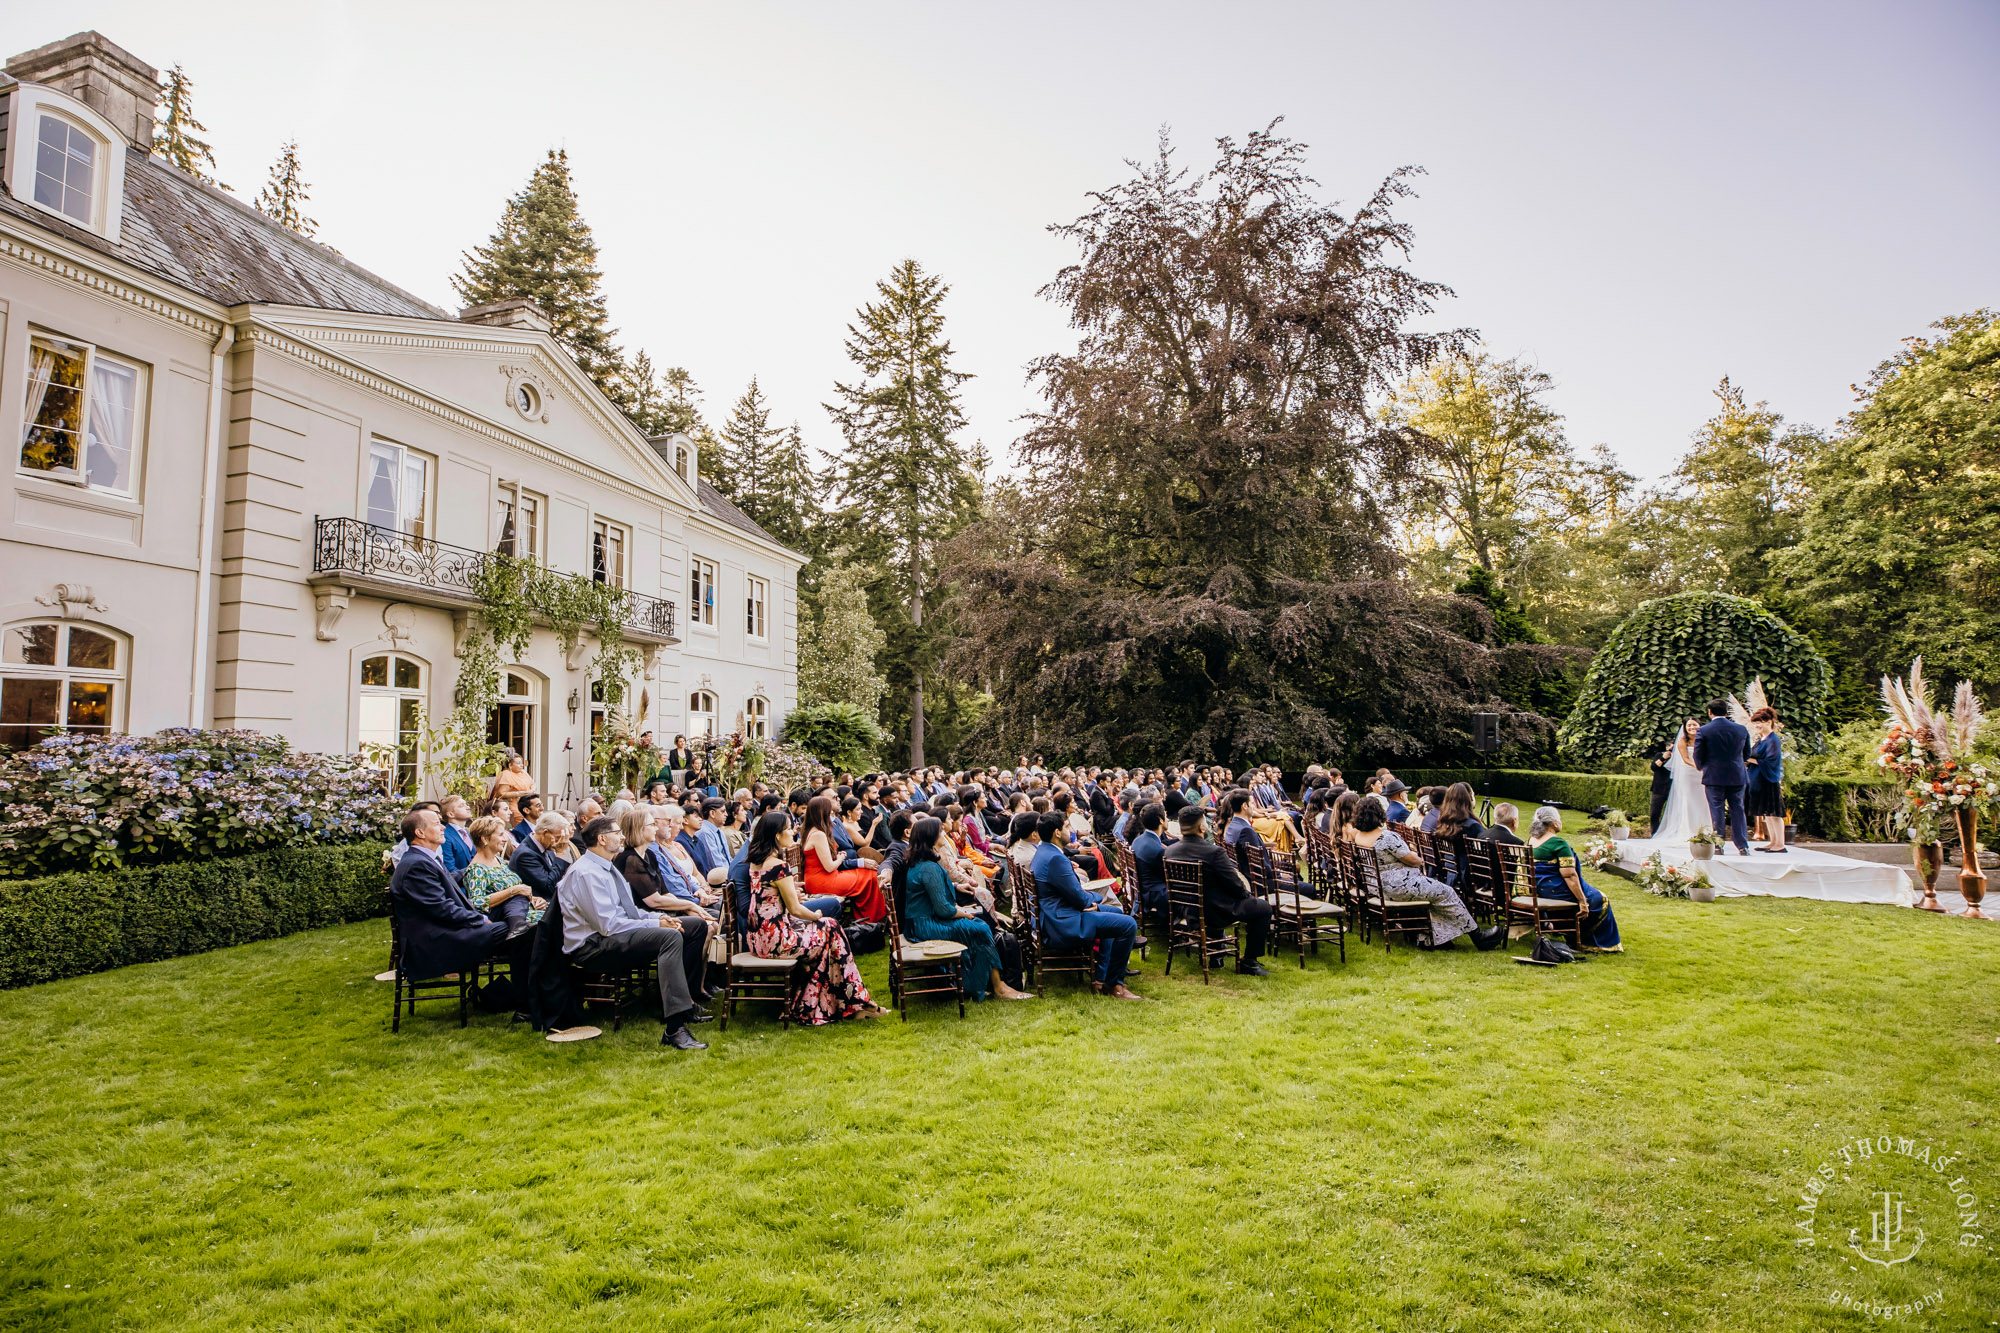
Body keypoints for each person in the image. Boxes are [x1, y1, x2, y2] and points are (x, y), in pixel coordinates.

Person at [557, 817, 711, 1050]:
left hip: (612, 936)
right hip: (593, 947)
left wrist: (658, 918)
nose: (621, 837)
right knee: (669, 937)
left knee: (695, 925)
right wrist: (656, 926)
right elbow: (608, 925)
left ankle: (683, 1001)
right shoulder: (586, 873)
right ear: (601, 838)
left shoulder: (607, 866)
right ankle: (674, 1027)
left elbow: (629, 912)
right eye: (617, 833)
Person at [741, 812, 885, 1024]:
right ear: (777, 836)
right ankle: (850, 1001)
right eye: (789, 828)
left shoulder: (756, 863)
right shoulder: (778, 866)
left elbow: (769, 899)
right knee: (831, 927)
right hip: (778, 941)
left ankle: (833, 1002)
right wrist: (816, 915)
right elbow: (797, 909)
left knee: (829, 936)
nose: (794, 831)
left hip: (758, 938)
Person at [900, 817, 1035, 1002]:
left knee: (979, 925)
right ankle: (997, 987)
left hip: (923, 921)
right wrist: (963, 912)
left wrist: (956, 889)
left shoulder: (924, 862)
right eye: (940, 831)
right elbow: (943, 910)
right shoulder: (929, 867)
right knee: (979, 928)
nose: (943, 834)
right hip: (925, 925)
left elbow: (932, 894)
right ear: (930, 836)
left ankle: (985, 984)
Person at [1349, 800, 1504, 951]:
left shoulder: (1359, 837)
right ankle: (1478, 936)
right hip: (1400, 887)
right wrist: (1416, 856)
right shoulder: (1387, 837)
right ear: (1379, 815)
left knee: (1436, 893)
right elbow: (1414, 861)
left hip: (1379, 886)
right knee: (1447, 892)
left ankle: (1433, 939)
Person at [1029, 814, 1141, 999]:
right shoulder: (1055, 858)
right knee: (1128, 925)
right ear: (1057, 832)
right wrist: (1095, 899)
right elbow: (1080, 899)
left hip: (1056, 914)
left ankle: (1102, 976)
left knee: (1115, 913)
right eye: (1067, 826)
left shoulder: (1044, 851)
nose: (1071, 830)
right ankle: (1114, 985)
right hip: (1062, 922)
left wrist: (1093, 902)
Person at [389, 808, 507, 980]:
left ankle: (513, 993)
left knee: (519, 922)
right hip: (436, 943)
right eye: (437, 824)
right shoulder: (416, 865)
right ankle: (520, 994)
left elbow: (448, 880)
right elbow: (442, 909)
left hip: (445, 930)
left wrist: (475, 867)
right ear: (420, 832)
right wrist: (480, 919)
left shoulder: (424, 858)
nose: (443, 828)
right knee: (512, 930)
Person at [1162, 804, 1274, 976]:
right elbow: (1236, 885)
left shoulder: (1170, 851)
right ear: (1201, 827)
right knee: (1262, 908)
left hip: (1185, 909)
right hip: (1213, 912)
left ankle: (1216, 954)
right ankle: (1249, 962)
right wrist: (1247, 896)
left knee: (1218, 898)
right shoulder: (1214, 852)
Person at [1527, 806, 1623, 951]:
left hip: (1540, 888)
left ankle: (1571, 933)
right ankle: (1594, 943)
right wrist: (1582, 901)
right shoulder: (1558, 843)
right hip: (1556, 891)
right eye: (1559, 818)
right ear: (1554, 823)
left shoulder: (1531, 840)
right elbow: (1570, 875)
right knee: (1600, 899)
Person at [800, 794, 887, 922]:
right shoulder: (818, 834)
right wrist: (840, 858)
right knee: (871, 877)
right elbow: (829, 867)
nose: (831, 814)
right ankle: (871, 918)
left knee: (869, 873)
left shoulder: (812, 831)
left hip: (823, 877)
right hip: (823, 880)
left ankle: (866, 916)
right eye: (829, 811)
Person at [1692, 699, 1752, 854]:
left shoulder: (1704, 730)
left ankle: (1718, 845)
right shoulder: (1741, 729)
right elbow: (1747, 753)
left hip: (1714, 775)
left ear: (1710, 712)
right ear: (1726, 712)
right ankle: (1742, 846)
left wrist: (1701, 766)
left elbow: (1698, 753)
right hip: (1737, 775)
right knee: (1738, 809)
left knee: (1717, 809)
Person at [1651, 718, 1714, 845]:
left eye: (1694, 725)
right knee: (1688, 801)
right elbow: (1685, 759)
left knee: (1703, 801)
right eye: (1689, 725)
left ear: (1699, 726)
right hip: (1689, 774)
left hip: (1702, 775)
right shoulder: (1682, 741)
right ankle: (1689, 830)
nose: (1691, 727)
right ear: (1685, 728)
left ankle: (1705, 830)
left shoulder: (1705, 740)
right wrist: (1697, 766)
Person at [1747, 706, 1787, 852]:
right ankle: (1773, 841)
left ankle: (1780, 844)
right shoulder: (1761, 740)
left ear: (1769, 722)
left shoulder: (1772, 740)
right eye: (1756, 722)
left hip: (1769, 779)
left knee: (1775, 813)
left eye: (1760, 722)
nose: (1758, 725)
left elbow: (1770, 761)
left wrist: (1750, 760)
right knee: (1767, 813)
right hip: (1759, 779)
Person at [1129, 803, 1169, 920]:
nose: (1168, 820)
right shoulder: (1157, 850)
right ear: (1160, 820)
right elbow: (1169, 877)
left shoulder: (1139, 840)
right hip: (1155, 895)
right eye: (1166, 816)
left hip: (1144, 890)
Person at [438, 794, 476, 874]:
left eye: (466, 804)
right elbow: (450, 870)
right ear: (451, 814)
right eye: (461, 806)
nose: (468, 807)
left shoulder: (469, 834)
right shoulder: (444, 836)